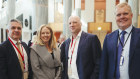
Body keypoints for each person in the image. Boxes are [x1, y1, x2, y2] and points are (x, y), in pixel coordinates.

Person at [99, 2, 140, 79]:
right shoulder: (108, 38)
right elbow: (103, 65)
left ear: (131, 15)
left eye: (125, 14)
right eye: (118, 15)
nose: (122, 17)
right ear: (115, 18)